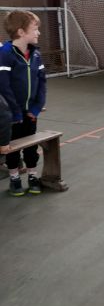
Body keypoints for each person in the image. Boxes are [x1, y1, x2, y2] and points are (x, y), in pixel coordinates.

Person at [0, 11, 46, 196]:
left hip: (30, 112)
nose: (38, 33)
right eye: (35, 29)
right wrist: (16, 112)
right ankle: (14, 177)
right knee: (12, 147)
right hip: (12, 114)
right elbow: (4, 87)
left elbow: (42, 82)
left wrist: (36, 108)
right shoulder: (5, 54)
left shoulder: (36, 54)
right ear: (21, 32)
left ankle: (33, 175)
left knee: (30, 145)